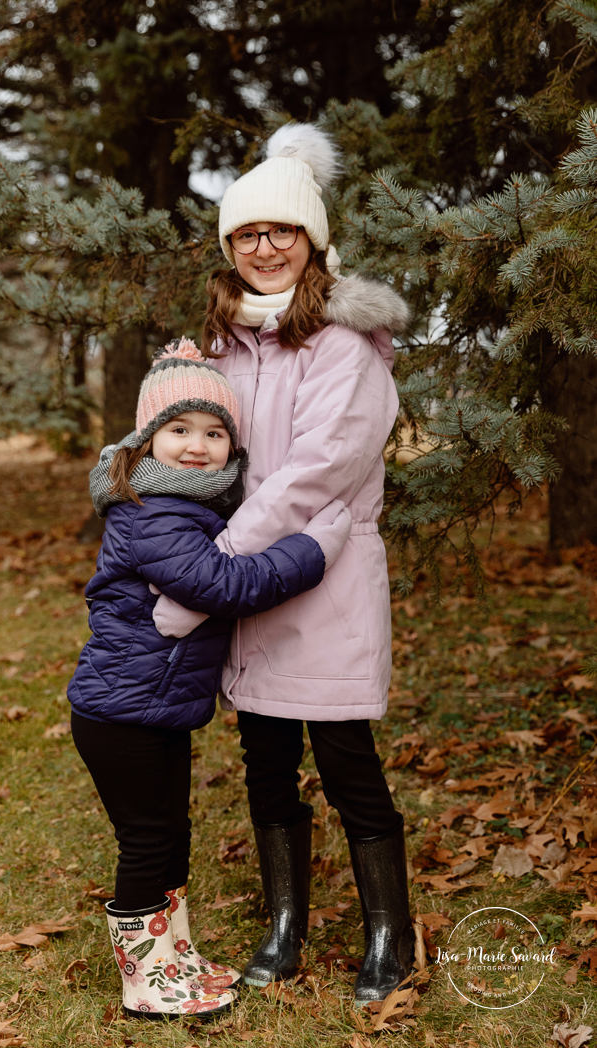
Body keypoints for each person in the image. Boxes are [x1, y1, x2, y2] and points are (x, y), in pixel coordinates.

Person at [147, 123, 416, 1007]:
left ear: (313, 241)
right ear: (230, 246)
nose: (265, 248)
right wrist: (172, 393)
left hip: (323, 579)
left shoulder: (345, 348)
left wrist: (209, 571)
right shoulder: (223, 343)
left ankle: (389, 935)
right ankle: (284, 927)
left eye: (283, 232)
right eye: (248, 234)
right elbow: (201, 454)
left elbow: (311, 477)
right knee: (265, 759)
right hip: (246, 591)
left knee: (345, 761)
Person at [69, 339, 351, 1019]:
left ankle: (172, 957)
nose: (197, 446)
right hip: (120, 715)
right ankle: (145, 981)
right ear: (146, 441)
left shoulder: (193, 507)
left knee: (171, 831)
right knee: (146, 838)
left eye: (214, 432)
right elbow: (221, 582)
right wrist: (310, 550)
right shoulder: (151, 512)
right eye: (178, 430)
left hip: (153, 709)